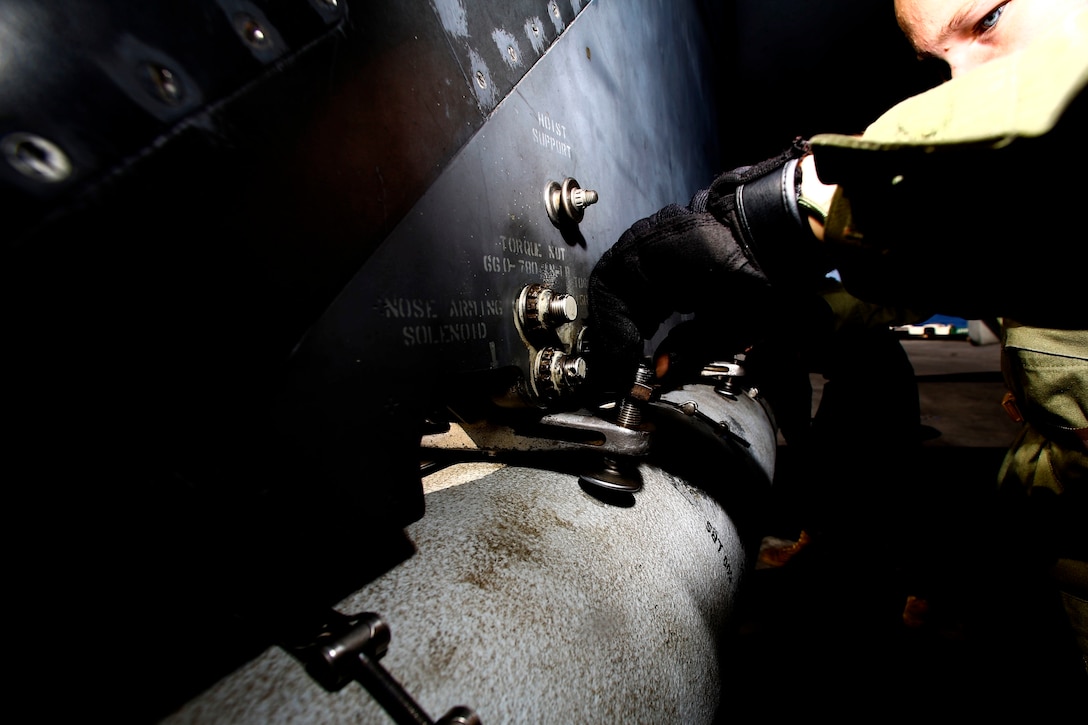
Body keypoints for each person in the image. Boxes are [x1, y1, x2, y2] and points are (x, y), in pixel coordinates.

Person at [587, 0, 1088, 693]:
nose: (963, 79)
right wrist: (780, 312)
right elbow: (917, 279)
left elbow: (1050, 91)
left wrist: (779, 207)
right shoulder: (1045, 209)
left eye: (989, 19)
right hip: (1054, 518)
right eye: (939, 63)